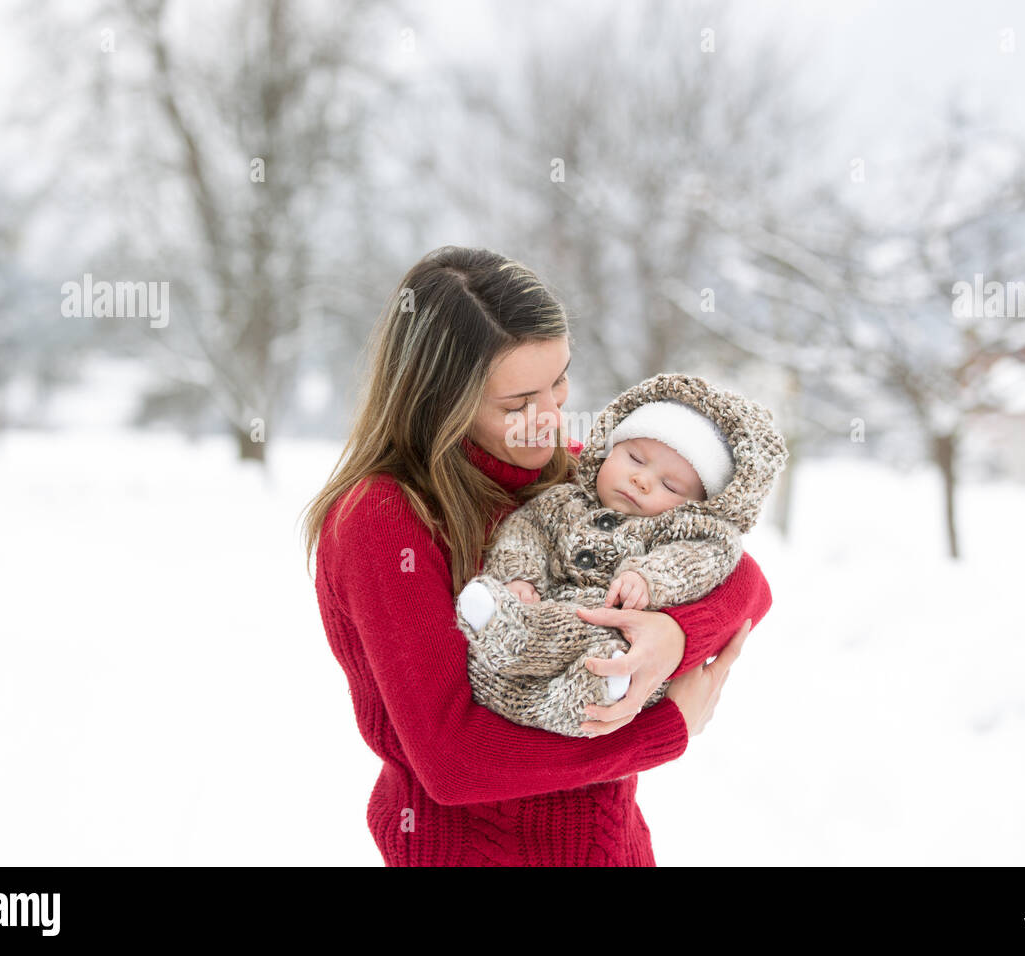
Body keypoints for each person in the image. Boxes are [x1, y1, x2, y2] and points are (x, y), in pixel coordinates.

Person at [301, 245, 772, 867]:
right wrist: (663, 729)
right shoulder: (382, 520)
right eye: (518, 404)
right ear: (440, 400)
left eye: (559, 382)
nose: (549, 419)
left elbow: (745, 578)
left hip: (612, 850)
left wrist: (671, 635)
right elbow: (452, 763)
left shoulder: (578, 475)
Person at [455, 373, 789, 737]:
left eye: (670, 484)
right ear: (607, 448)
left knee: (601, 660)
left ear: (696, 506)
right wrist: (520, 576)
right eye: (634, 458)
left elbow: (700, 558)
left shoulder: (682, 530)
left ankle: (535, 651)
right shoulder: (563, 503)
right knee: (506, 675)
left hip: (618, 639)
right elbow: (526, 533)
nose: (641, 480)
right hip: (540, 626)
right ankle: (513, 636)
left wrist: (648, 577)